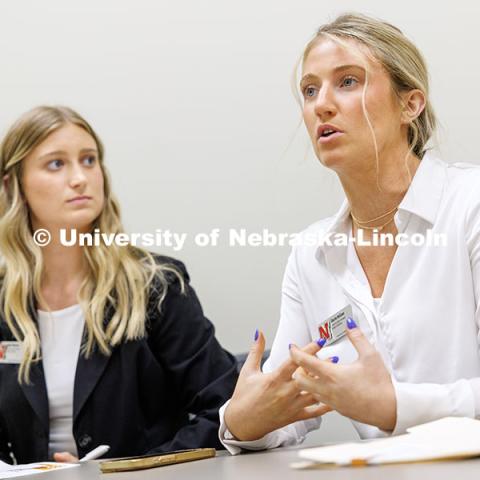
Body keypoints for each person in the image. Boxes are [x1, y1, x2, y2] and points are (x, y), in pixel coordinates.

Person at [219, 12, 480, 454]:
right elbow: (285, 401)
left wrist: (395, 405)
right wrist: (243, 422)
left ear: (409, 104)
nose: (321, 104)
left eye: (347, 81)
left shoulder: (470, 206)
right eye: (309, 90)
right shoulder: (311, 253)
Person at [0, 106, 238, 464]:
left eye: (89, 160)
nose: (80, 178)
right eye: (56, 164)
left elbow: (226, 411)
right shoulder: (5, 302)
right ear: (12, 183)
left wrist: (125, 470)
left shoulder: (156, 286)